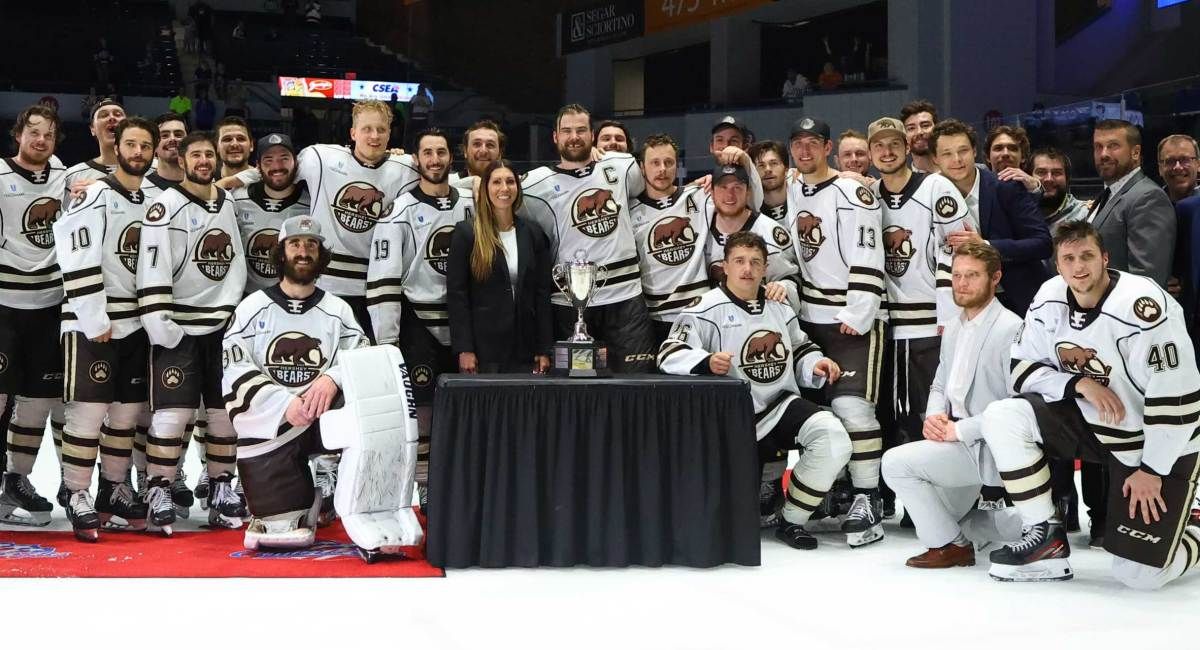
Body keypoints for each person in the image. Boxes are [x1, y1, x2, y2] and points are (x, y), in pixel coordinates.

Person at [979, 220, 1200, 588]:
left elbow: (1176, 397)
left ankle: (1193, 527)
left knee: (1140, 576)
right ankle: (1045, 537)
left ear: (1105, 258)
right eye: (1069, 259)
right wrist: (1077, 382)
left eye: (1087, 256)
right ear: (1058, 264)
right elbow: (1020, 370)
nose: (1079, 267)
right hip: (1095, 423)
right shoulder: (1049, 296)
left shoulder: (1145, 308)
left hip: (1157, 443)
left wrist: (1153, 470)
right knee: (1004, 416)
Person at [659, 231, 850, 550]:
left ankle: (793, 521)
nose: (747, 269)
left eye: (755, 262)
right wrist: (705, 360)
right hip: (731, 418)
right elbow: (668, 353)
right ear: (725, 266)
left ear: (764, 269)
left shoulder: (779, 307)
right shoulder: (704, 308)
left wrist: (816, 364)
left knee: (833, 438)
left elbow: (800, 348)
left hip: (779, 406)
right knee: (726, 519)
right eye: (739, 261)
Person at [219, 100, 425, 341]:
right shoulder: (319, 157)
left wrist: (472, 182)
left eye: (381, 129)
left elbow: (439, 179)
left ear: (391, 133)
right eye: (367, 129)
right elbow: (277, 169)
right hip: (324, 284)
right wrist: (227, 183)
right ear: (353, 132)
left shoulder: (405, 167)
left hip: (375, 288)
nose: (374, 136)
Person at [222, 215, 368, 551]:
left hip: (324, 418)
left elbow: (363, 356)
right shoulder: (251, 309)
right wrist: (282, 403)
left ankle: (334, 473)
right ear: (281, 253)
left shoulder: (339, 310)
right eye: (295, 244)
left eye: (311, 244)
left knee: (372, 406)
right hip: (276, 423)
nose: (303, 251)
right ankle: (304, 494)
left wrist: (332, 378)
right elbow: (233, 367)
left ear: (320, 255)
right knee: (279, 530)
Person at [880, 242, 1023, 568]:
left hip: (991, 447)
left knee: (895, 464)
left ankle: (953, 544)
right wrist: (933, 417)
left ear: (995, 278)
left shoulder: (1011, 327)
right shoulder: (954, 325)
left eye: (972, 276)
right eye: (956, 275)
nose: (961, 283)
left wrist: (958, 430)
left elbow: (1017, 406)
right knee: (931, 517)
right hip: (956, 439)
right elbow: (940, 383)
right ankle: (965, 534)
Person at [51, 116, 159, 540]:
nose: (137, 152)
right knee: (88, 411)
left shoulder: (154, 198)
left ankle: (113, 488)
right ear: (117, 149)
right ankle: (75, 491)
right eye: (130, 144)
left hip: (136, 321)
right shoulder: (95, 195)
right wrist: (94, 318)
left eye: (144, 146)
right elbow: (75, 258)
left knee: (127, 412)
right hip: (91, 321)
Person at [136, 131, 247, 535]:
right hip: (178, 324)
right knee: (173, 413)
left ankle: (220, 487)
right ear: (181, 160)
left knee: (222, 411)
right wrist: (160, 322)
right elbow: (152, 265)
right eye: (195, 155)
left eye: (208, 155)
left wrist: (232, 307)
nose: (203, 161)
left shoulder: (227, 201)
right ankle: (159, 487)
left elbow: (234, 259)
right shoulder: (163, 206)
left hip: (220, 325)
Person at [786, 116, 889, 546]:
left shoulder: (853, 190)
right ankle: (835, 490)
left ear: (827, 147)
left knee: (853, 409)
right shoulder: (795, 188)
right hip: (811, 316)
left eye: (813, 143)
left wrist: (860, 310)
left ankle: (870, 499)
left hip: (850, 319)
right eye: (798, 143)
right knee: (818, 414)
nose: (805, 151)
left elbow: (870, 250)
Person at [367, 128, 473, 511]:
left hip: (464, 320)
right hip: (419, 322)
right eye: (427, 152)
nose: (434, 159)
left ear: (451, 158)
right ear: (416, 160)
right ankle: (426, 489)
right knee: (424, 410)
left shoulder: (469, 202)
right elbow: (383, 279)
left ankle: (462, 481)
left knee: (464, 406)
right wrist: (387, 341)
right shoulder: (399, 211)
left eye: (441, 152)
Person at [867, 116, 969, 482]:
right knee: (888, 414)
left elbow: (965, 249)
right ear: (869, 153)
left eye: (894, 143)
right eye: (879, 145)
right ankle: (897, 490)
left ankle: (938, 488)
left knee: (930, 411)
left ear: (908, 147)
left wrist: (953, 317)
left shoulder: (936, 187)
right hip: (884, 325)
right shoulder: (866, 196)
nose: (887, 151)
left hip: (930, 324)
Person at [518, 103, 657, 373]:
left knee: (636, 385)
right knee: (577, 388)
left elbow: (653, 191)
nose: (574, 136)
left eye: (581, 130)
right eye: (567, 130)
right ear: (555, 137)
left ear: (592, 135)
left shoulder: (622, 165)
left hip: (625, 297)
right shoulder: (534, 185)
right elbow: (494, 195)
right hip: (570, 301)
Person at [0, 105, 68, 527]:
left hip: (48, 306)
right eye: (34, 132)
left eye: (49, 134)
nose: (41, 140)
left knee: (37, 401)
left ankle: (16, 481)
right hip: (4, 304)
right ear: (18, 134)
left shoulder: (65, 179)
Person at [930, 119, 1051, 315]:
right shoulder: (930, 194)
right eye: (947, 154)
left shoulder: (1006, 187)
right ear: (935, 159)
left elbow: (1043, 244)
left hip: (1018, 300)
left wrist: (986, 246)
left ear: (975, 151)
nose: (957, 160)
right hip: (964, 305)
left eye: (963, 151)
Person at [447, 159, 553, 373]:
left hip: (526, 345)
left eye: (510, 181)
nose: (504, 188)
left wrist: (544, 348)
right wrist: (464, 348)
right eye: (496, 182)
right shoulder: (467, 233)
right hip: (484, 348)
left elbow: (542, 295)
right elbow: (457, 295)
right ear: (486, 188)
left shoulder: (533, 233)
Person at [629, 135, 716, 344]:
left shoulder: (699, 196)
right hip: (653, 320)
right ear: (642, 167)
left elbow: (749, 199)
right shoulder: (628, 210)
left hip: (699, 312)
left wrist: (733, 168)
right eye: (655, 163)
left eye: (669, 163)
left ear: (677, 166)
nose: (662, 169)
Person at [1086, 119, 1176, 288]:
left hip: (1122, 311)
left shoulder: (1148, 197)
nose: (1103, 154)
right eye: (1098, 146)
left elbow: (1147, 279)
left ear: (1135, 152)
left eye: (1113, 145)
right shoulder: (1109, 192)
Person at [233, 133, 312, 295]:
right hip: (246, 297)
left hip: (292, 297)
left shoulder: (312, 203)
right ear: (258, 166)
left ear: (295, 162)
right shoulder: (238, 197)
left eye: (284, 158)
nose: (277, 166)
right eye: (268, 160)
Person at [64, 99, 126, 202]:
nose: (112, 117)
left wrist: (100, 186)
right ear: (92, 129)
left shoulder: (152, 170)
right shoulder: (72, 176)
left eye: (118, 114)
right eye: (104, 115)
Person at [1031, 147, 1087, 232]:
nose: (1049, 179)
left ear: (1067, 179)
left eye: (1056, 173)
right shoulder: (1018, 214)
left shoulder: (1086, 214)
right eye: (1041, 172)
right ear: (1029, 177)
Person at [749, 140, 791, 227]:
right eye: (761, 165)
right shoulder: (749, 210)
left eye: (774, 163)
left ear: (786, 169)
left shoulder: (802, 199)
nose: (767, 169)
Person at [1158, 134, 1200, 205]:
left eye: (1185, 159)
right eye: (1170, 161)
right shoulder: (1149, 203)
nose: (1178, 167)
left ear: (1198, 165)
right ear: (1160, 169)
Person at [900, 99, 938, 173]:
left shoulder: (957, 175)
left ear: (937, 128)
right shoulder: (903, 183)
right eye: (911, 128)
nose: (919, 132)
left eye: (925, 125)